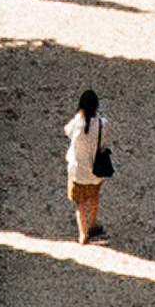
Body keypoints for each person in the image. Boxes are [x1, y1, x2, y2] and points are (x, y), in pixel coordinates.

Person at [63, 87, 109, 241]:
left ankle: (82, 233)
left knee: (80, 203)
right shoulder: (102, 124)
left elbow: (67, 130)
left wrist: (78, 115)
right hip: (95, 171)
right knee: (94, 198)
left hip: (77, 171)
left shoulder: (76, 124)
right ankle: (93, 224)